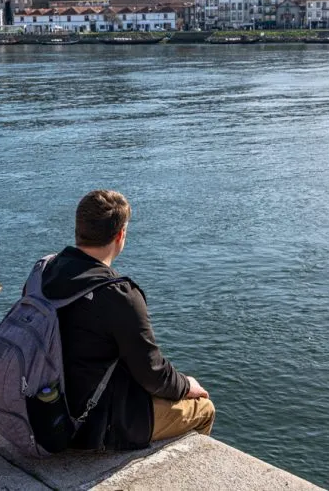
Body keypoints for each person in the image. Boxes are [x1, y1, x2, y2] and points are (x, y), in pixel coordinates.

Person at [40, 189, 215, 450]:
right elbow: (153, 374)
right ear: (120, 235)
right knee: (203, 408)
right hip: (92, 424)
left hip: (47, 406)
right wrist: (186, 385)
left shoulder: (45, 271)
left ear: (79, 229)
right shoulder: (119, 295)